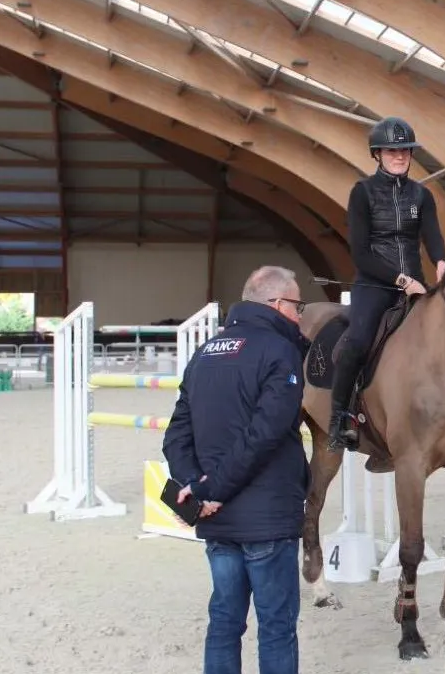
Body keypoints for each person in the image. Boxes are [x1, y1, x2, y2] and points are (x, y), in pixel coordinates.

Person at [162, 265, 311, 674]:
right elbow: (265, 433)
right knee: (277, 627)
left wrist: (195, 487)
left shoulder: (205, 351)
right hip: (266, 519)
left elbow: (177, 434)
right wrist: (213, 490)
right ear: (278, 304)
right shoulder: (281, 351)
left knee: (224, 623)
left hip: (218, 522)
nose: (300, 315)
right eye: (297, 306)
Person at [326, 116, 445, 451]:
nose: (400, 156)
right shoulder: (362, 193)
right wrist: (401, 279)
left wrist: (441, 261)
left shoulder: (422, 196)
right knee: (358, 341)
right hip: (375, 286)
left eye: (405, 151)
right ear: (377, 154)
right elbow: (361, 253)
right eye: (393, 150)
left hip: (416, 286)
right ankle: (340, 418)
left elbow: (433, 236)